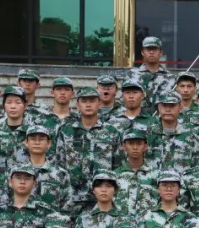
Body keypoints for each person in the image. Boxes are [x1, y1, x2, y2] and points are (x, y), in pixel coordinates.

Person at [56, 87, 122, 215]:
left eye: (92, 101)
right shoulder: (66, 131)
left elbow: (118, 165)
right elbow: (59, 164)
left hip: (102, 198)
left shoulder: (111, 132)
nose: (88, 104)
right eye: (84, 101)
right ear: (77, 105)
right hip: (72, 197)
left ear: (99, 103)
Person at [24, 125, 73, 213]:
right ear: (26, 142)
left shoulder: (60, 174)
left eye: (41, 139)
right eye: (33, 139)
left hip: (51, 221)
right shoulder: (15, 172)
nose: (37, 142)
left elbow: (67, 208)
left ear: (49, 143)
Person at [146, 91, 198, 172]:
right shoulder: (148, 134)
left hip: (182, 179)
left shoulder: (191, 134)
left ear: (180, 108)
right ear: (158, 108)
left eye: (172, 105)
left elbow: (197, 164)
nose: (168, 110)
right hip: (154, 179)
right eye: (164, 105)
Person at [113, 128, 159, 218]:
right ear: (124, 147)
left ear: (145, 147)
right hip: (122, 223)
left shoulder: (156, 175)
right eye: (131, 144)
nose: (135, 147)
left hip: (148, 223)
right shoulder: (115, 176)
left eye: (139, 144)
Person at [130, 35, 175, 108]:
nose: (151, 52)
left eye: (155, 49)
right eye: (148, 49)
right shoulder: (132, 76)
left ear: (161, 52)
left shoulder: (170, 77)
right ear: (142, 52)